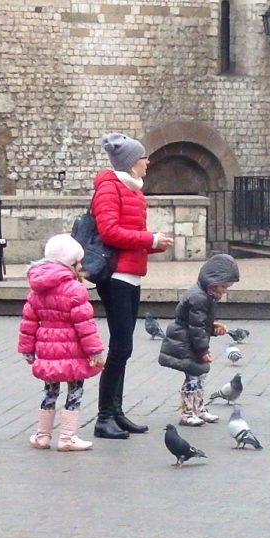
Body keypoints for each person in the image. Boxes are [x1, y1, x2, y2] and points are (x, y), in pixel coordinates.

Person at [91, 132, 174, 439]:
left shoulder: (133, 189)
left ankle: (116, 411)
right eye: (143, 158)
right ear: (130, 162)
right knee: (121, 347)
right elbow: (110, 232)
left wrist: (154, 244)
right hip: (115, 276)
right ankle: (103, 417)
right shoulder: (109, 188)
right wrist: (148, 239)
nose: (148, 162)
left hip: (131, 273)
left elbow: (128, 235)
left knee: (124, 348)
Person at [18, 234, 106, 452]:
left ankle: (42, 435)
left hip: (47, 351)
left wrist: (27, 350)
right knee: (75, 391)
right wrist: (95, 352)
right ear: (71, 263)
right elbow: (85, 325)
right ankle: (67, 437)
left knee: (50, 390)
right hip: (73, 350)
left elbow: (29, 321)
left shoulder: (36, 288)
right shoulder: (75, 289)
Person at [159, 254, 240, 426]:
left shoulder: (205, 295)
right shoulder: (199, 298)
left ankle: (199, 408)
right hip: (184, 342)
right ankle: (188, 413)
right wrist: (203, 350)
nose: (225, 290)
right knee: (193, 376)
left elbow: (200, 324)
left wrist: (212, 327)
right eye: (224, 286)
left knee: (200, 375)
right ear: (213, 282)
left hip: (188, 340)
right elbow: (195, 327)